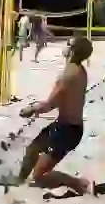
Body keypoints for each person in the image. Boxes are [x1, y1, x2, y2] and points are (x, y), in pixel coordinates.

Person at [10, 35, 95, 195]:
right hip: (66, 126)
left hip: (68, 131)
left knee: (40, 176)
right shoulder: (79, 70)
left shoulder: (67, 76)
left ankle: (80, 183)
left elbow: (48, 105)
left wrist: (32, 108)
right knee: (32, 149)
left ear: (72, 50)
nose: (65, 45)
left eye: (68, 43)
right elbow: (61, 100)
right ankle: (19, 179)